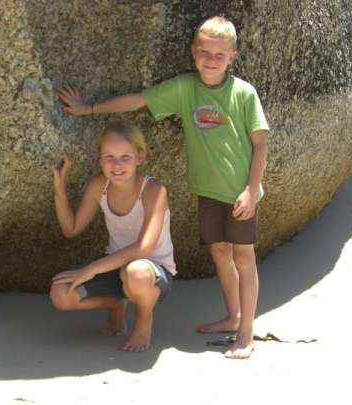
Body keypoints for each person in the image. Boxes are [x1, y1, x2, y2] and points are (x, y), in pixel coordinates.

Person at [58, 16, 269, 359]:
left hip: (240, 192)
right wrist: (89, 109)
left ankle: (246, 333)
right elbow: (138, 101)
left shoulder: (243, 93)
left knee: (244, 257)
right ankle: (232, 316)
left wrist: (251, 189)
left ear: (233, 55)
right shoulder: (185, 88)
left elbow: (260, 144)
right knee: (219, 254)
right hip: (209, 192)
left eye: (220, 53)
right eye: (205, 51)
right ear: (193, 52)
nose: (211, 59)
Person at [50, 121, 176, 353]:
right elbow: (71, 228)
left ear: (140, 158)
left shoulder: (154, 191)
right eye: (109, 156)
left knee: (136, 271)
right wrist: (60, 187)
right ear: (100, 160)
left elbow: (144, 248)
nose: (117, 165)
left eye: (125, 157)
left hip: (153, 272)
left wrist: (91, 269)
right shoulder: (99, 185)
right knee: (61, 294)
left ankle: (142, 322)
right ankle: (116, 305)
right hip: (115, 268)